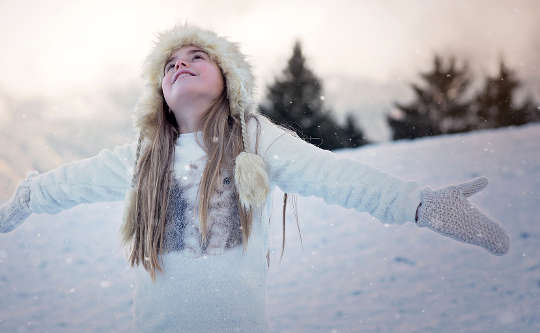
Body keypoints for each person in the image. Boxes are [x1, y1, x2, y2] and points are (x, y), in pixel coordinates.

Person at [0, 23, 510, 332]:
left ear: (228, 79)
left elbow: (335, 176)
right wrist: (26, 197)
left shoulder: (256, 140)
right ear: (158, 92)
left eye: (197, 57)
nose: (182, 65)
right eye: (170, 63)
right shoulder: (143, 156)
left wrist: (419, 204)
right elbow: (70, 182)